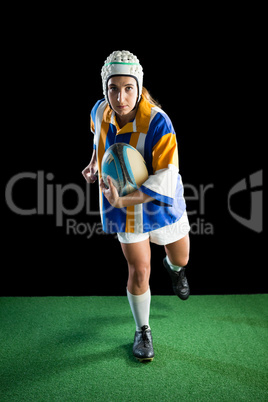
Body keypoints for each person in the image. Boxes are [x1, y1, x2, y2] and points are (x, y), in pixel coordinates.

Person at [82, 50, 190, 362]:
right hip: (122, 204)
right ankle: (143, 330)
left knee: (180, 256)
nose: (120, 97)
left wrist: (125, 197)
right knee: (139, 269)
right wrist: (93, 164)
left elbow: (167, 179)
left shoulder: (158, 122)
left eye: (128, 88)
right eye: (113, 88)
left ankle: (174, 269)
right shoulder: (99, 111)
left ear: (139, 87)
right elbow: (97, 138)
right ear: (105, 89)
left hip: (159, 201)